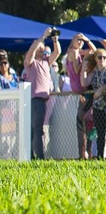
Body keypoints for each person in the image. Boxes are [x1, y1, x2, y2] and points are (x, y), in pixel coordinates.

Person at [23, 27, 60, 159]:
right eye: (39, 47)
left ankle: (32, 156)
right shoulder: (30, 63)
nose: (41, 49)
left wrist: (55, 39)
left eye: (43, 47)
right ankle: (38, 156)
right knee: (37, 129)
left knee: (36, 129)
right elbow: (32, 50)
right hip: (35, 99)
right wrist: (43, 37)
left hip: (43, 100)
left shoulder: (46, 62)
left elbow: (57, 52)